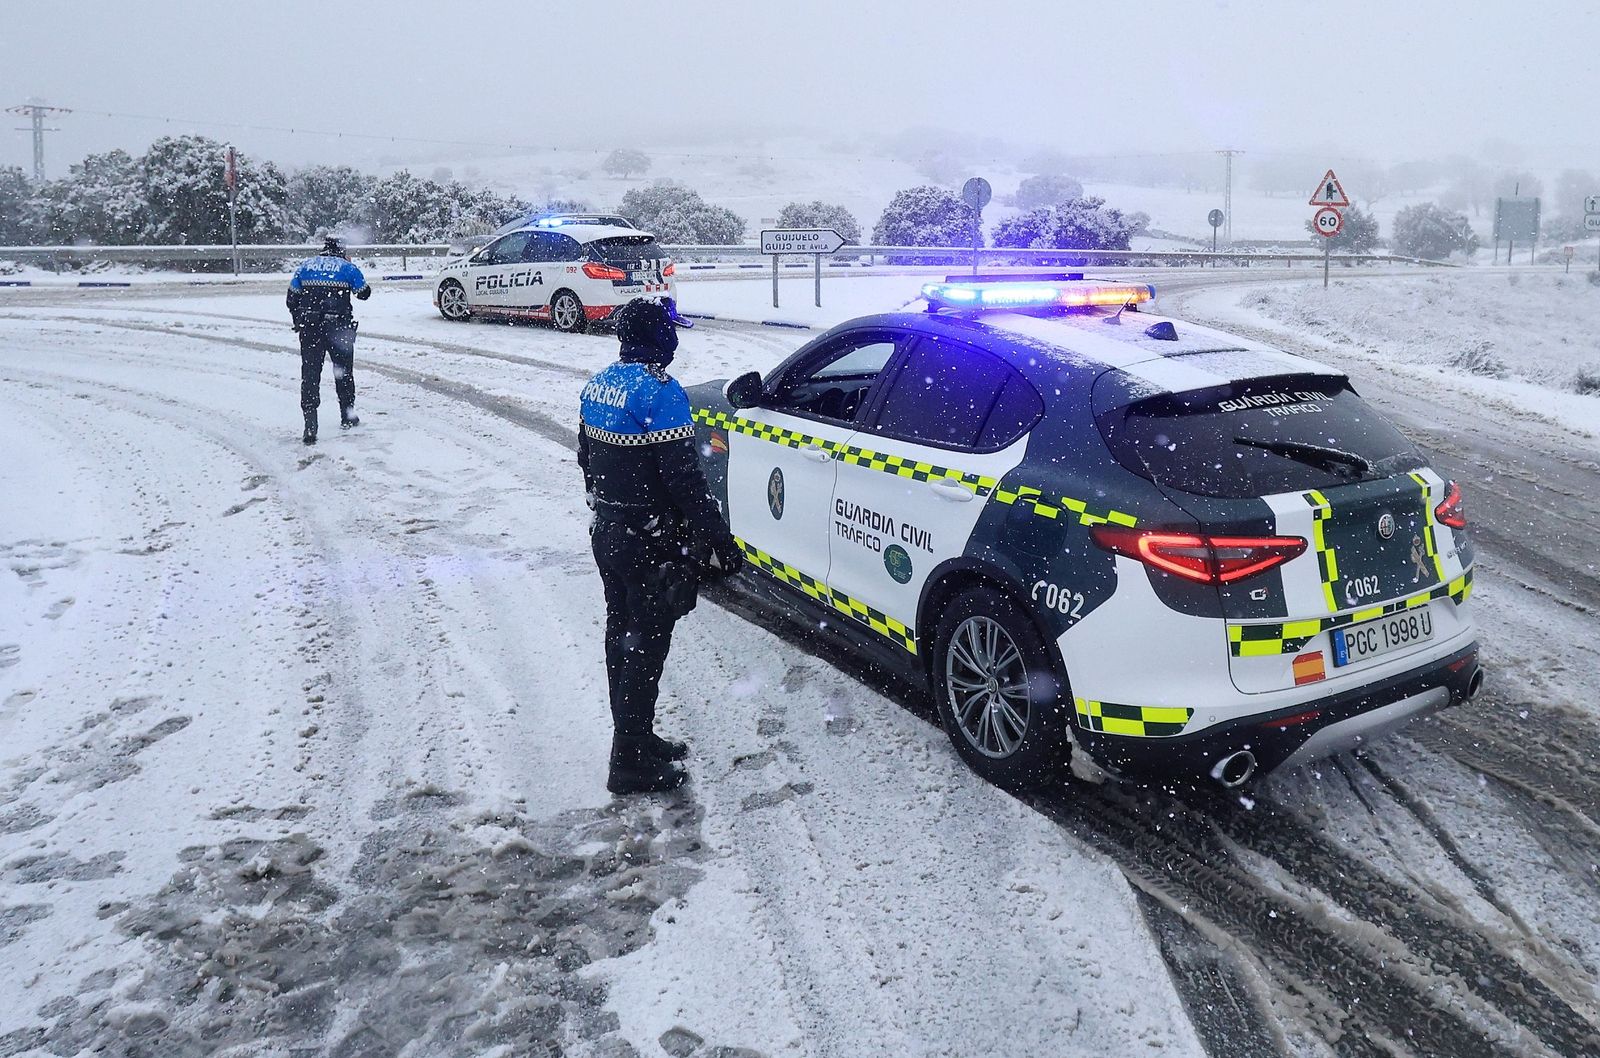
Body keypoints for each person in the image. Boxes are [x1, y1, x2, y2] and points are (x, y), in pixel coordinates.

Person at [578, 297, 744, 795]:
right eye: (671, 333)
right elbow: (684, 480)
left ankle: (635, 737)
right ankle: (628, 761)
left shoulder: (600, 383)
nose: (676, 341)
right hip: (650, 539)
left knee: (622, 633)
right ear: (659, 339)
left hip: (610, 533)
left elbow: (585, 458)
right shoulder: (660, 392)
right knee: (647, 643)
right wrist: (718, 539)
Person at [287, 235, 371, 445]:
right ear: (342, 249)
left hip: (310, 328)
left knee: (310, 373)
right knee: (343, 373)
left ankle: (310, 424)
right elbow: (364, 293)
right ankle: (347, 415)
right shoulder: (346, 268)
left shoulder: (306, 266)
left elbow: (291, 298)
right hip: (339, 329)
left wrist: (300, 319)